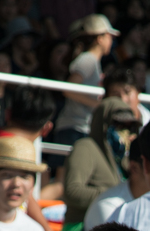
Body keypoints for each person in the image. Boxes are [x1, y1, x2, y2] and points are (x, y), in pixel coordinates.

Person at [62, 98, 140, 231]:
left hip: (112, 227)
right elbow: (72, 191)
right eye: (118, 125)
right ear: (103, 124)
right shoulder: (86, 147)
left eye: (129, 127)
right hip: (79, 228)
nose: (124, 132)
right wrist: (111, 195)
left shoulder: (122, 158)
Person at [51, 14, 116, 162]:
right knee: (64, 177)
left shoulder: (91, 61)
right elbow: (69, 89)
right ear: (100, 38)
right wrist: (98, 105)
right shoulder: (88, 60)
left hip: (77, 127)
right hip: (75, 127)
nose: (111, 41)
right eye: (109, 36)